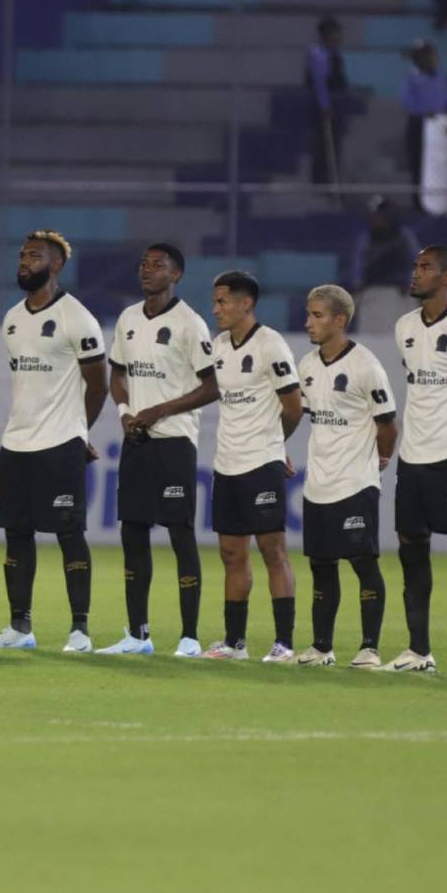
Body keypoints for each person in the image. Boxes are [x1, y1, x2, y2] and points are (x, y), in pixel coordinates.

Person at [0, 230, 108, 651]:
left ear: (56, 265)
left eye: (34, 255)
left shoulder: (77, 318)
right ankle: (20, 628)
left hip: (61, 443)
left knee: (69, 533)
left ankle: (80, 631)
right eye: (22, 255)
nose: (24, 261)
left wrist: (79, 431)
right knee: (17, 534)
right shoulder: (12, 318)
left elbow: (98, 385)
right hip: (17, 443)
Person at [97, 243, 217, 657]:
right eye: (144, 263)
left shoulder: (190, 324)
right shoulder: (128, 319)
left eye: (158, 265)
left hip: (175, 443)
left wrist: (160, 410)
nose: (147, 270)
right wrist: (126, 412)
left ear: (176, 275)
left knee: (180, 534)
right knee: (132, 534)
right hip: (137, 441)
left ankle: (189, 637)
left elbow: (211, 387)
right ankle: (138, 635)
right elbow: (117, 375)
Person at [386, 246, 447, 679]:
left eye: (425, 267)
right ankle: (418, 650)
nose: (416, 273)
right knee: (411, 549)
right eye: (414, 266)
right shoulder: (404, 326)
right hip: (413, 459)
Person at [202, 271, 304, 662]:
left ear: (246, 303)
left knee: (272, 551)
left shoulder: (270, 345)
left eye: (223, 302)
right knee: (231, 554)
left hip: (261, 463)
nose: (216, 309)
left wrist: (275, 446)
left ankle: (284, 644)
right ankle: (235, 643)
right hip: (226, 464)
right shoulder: (218, 346)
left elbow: (293, 407)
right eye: (215, 302)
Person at [296, 285, 398, 668]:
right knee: (321, 566)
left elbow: (387, 424)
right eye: (309, 314)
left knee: (362, 562)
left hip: (355, 481)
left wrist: (379, 459)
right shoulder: (307, 366)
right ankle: (322, 648)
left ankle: (370, 648)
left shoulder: (366, 366)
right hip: (317, 484)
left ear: (340, 320)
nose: (309, 322)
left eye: (317, 315)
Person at [401, 40, 447, 202]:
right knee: (418, 163)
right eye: (422, 56)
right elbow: (408, 102)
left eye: (430, 55)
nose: (428, 59)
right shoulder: (411, 78)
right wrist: (424, 113)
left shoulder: (443, 78)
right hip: (419, 125)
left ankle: (441, 201)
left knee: (441, 164)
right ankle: (419, 202)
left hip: (441, 127)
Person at [305, 17, 348, 188]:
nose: (339, 37)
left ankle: (330, 180)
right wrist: (325, 105)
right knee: (325, 146)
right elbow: (320, 83)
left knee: (334, 146)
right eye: (335, 34)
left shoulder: (334, 54)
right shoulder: (320, 55)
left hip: (336, 103)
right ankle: (321, 182)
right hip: (325, 106)